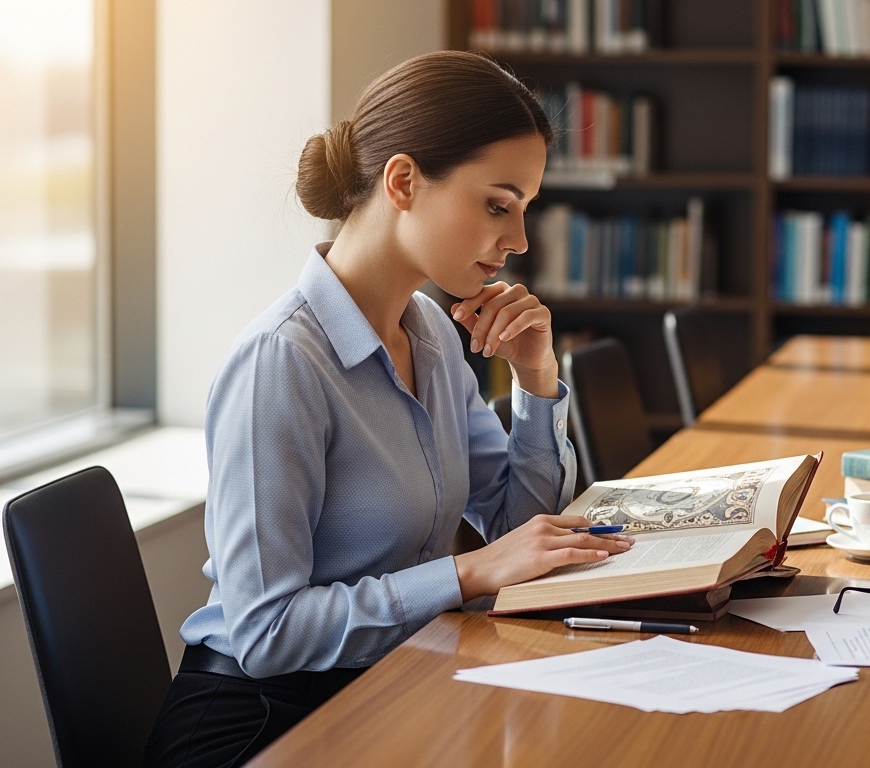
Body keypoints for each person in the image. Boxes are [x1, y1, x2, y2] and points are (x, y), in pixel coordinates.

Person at [144, 50, 632, 768]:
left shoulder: (430, 331)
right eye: (498, 204)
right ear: (403, 182)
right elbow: (267, 631)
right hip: (261, 724)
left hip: (387, 686)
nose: (518, 242)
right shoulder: (283, 361)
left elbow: (516, 530)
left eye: (524, 210)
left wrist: (534, 378)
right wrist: (467, 575)